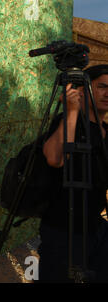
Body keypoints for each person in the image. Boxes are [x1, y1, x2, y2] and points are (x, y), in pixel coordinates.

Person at [39, 64, 108, 282]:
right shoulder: (69, 123)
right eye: (102, 87)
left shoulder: (106, 130)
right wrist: (71, 112)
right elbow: (54, 158)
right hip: (63, 229)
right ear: (83, 91)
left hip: (96, 227)